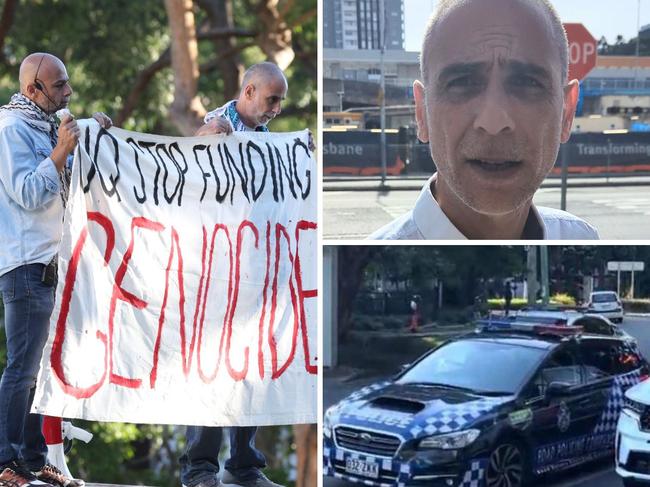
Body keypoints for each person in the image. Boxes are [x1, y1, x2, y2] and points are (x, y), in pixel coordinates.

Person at [370, 0, 599, 240]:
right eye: (462, 82)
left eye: (527, 83)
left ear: (566, 113)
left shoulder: (582, 236)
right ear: (422, 113)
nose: (493, 122)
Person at [0, 52, 111, 487]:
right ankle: (5, 462)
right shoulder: (9, 130)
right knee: (22, 368)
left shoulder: (46, 125)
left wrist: (97, 137)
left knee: (44, 370)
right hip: (26, 265)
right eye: (60, 85)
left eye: (67, 83)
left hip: (54, 263)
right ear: (33, 90)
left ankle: (31, 459)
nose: (69, 93)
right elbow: (28, 193)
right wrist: (63, 150)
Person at [181, 62, 287, 487]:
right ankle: (199, 468)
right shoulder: (213, 129)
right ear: (248, 92)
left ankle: (243, 466)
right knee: (211, 368)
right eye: (271, 99)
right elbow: (183, 171)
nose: (277, 108)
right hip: (214, 273)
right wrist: (199, 143)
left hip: (255, 273)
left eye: (280, 101)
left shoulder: (267, 141)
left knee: (250, 370)